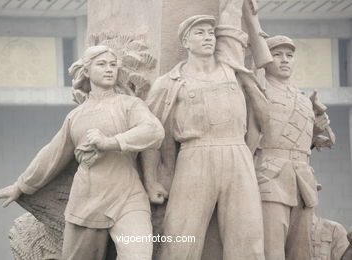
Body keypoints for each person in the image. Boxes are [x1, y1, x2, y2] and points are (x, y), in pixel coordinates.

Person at [0, 45, 165, 260]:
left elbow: (153, 131)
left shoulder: (130, 105)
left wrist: (110, 142)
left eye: (112, 65)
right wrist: (21, 185)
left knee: (139, 255)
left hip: (128, 197)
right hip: (86, 200)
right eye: (101, 64)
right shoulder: (76, 116)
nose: (109, 69)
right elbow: (52, 155)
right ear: (87, 71)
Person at [141, 15, 265, 260]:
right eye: (200, 33)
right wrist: (151, 180)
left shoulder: (235, 72)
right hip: (195, 156)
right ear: (185, 41)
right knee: (181, 236)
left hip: (237, 154)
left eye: (211, 32)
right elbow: (150, 134)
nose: (208, 37)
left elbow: (258, 117)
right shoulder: (168, 83)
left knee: (247, 236)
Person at [247, 35, 332, 259]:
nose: (284, 60)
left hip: (302, 180)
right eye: (277, 55)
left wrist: (315, 134)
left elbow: (297, 139)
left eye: (289, 56)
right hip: (270, 176)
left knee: (301, 250)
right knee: (272, 249)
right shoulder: (258, 91)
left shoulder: (304, 99)